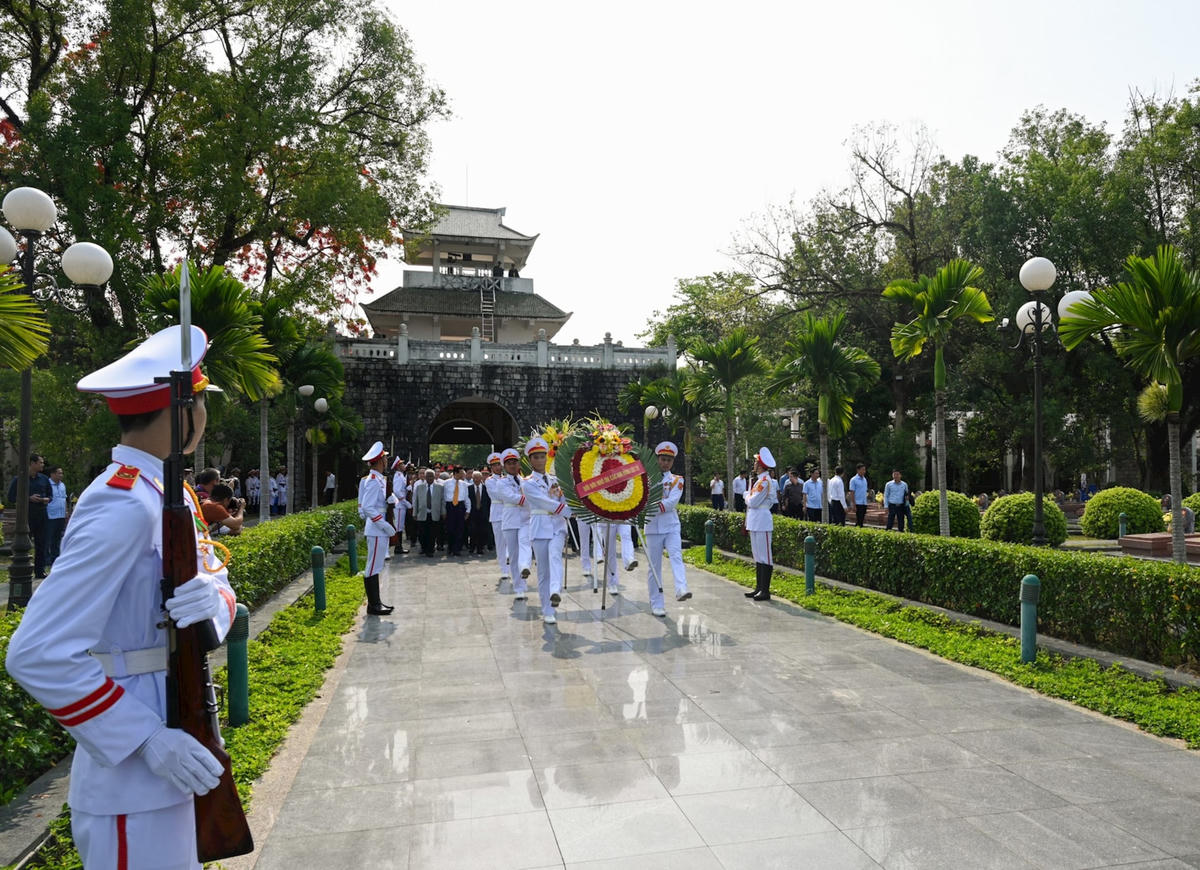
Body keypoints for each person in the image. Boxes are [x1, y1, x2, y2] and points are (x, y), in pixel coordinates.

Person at [6, 325, 239, 869]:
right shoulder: (122, 503)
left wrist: (215, 601)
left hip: (181, 737)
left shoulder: (167, 491)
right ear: (187, 413)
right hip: (135, 774)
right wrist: (145, 741)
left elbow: (215, 582)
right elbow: (37, 653)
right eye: (202, 404)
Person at [522, 438, 567, 624]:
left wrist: (571, 508)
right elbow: (543, 502)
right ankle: (547, 609)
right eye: (536, 457)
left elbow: (563, 499)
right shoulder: (528, 483)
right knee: (543, 571)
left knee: (555, 556)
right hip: (540, 526)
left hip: (557, 526)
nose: (541, 460)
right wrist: (564, 509)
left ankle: (555, 590)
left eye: (543, 456)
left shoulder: (556, 480)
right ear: (531, 460)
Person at [645, 441, 690, 616]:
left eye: (669, 460)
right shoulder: (647, 479)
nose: (665, 463)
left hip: (671, 525)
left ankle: (681, 588)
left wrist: (651, 506)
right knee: (654, 567)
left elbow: (671, 503)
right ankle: (657, 603)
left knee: (676, 556)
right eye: (663, 459)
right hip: (653, 527)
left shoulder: (677, 480)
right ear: (657, 459)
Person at [357, 441, 396, 615]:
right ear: (380, 461)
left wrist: (391, 500)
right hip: (376, 528)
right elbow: (368, 507)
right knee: (372, 567)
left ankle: (377, 602)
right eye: (385, 458)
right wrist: (385, 525)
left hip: (378, 528)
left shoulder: (379, 479)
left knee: (377, 566)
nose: (387, 461)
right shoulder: (373, 481)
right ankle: (373, 605)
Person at [7, 453, 51, 579]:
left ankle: (39, 571)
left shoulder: (44, 479)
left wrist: (46, 499)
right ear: (32, 463)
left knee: (41, 544)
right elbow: (10, 497)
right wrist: (28, 498)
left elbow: (50, 495)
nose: (42, 464)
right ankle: (19, 570)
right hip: (26, 517)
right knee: (22, 544)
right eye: (40, 462)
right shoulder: (19, 479)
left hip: (42, 515)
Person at [495, 448, 529, 599]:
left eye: (514, 462)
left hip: (526, 519)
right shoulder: (501, 483)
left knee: (525, 546)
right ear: (504, 466)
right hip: (510, 520)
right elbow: (510, 497)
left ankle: (524, 570)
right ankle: (518, 586)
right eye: (509, 463)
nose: (512, 466)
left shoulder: (525, 481)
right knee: (514, 555)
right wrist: (529, 499)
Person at [745, 447, 777, 601]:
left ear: (761, 465)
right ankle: (759, 588)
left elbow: (754, 501)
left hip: (762, 520)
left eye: (756, 462)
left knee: (765, 556)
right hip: (755, 520)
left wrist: (746, 497)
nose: (754, 464)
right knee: (758, 556)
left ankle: (765, 590)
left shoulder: (764, 481)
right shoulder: (759, 480)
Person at [483, 453, 509, 580]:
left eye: (499, 464)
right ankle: (504, 568)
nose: (498, 467)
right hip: (498, 512)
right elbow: (496, 495)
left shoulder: (508, 478)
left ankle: (511, 565)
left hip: (509, 512)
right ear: (491, 467)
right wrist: (509, 496)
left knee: (511, 540)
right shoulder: (489, 480)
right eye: (495, 465)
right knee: (500, 543)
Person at [411, 469, 444, 557]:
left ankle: (430, 550)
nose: (430, 478)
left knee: (432, 533)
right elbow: (416, 500)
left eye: (431, 476)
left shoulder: (440, 487)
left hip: (434, 513)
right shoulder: (419, 487)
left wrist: (443, 512)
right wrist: (414, 513)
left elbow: (442, 501)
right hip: (422, 513)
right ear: (425, 477)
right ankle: (423, 548)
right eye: (428, 476)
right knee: (422, 533)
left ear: (434, 477)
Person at [44, 465, 69, 567]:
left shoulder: (62, 485)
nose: (61, 475)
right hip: (50, 515)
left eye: (61, 473)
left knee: (57, 538)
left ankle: (55, 557)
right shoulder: (47, 484)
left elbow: (64, 499)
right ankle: (46, 559)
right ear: (52, 474)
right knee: (48, 539)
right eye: (59, 473)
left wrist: (66, 512)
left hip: (60, 515)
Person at [442, 466, 470, 556]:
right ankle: (450, 547)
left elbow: (466, 497)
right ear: (455, 473)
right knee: (450, 528)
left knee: (460, 528)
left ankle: (457, 549)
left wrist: (468, 510)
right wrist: (443, 511)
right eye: (461, 473)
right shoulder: (446, 483)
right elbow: (443, 497)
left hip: (460, 506)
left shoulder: (464, 484)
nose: (463, 475)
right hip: (450, 506)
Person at [389, 458, 410, 555]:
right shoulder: (398, 476)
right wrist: (405, 501)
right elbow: (396, 491)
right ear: (398, 466)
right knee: (398, 527)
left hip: (402, 504)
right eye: (402, 464)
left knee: (400, 526)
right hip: (400, 504)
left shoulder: (401, 475)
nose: (404, 465)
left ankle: (399, 546)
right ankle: (398, 547)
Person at [468, 469, 490, 555]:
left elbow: (488, 502)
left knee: (482, 531)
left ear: (481, 478)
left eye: (478, 478)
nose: (476, 480)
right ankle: (472, 547)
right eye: (474, 478)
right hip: (473, 513)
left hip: (483, 513)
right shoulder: (469, 489)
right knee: (472, 531)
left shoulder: (486, 489)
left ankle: (480, 548)